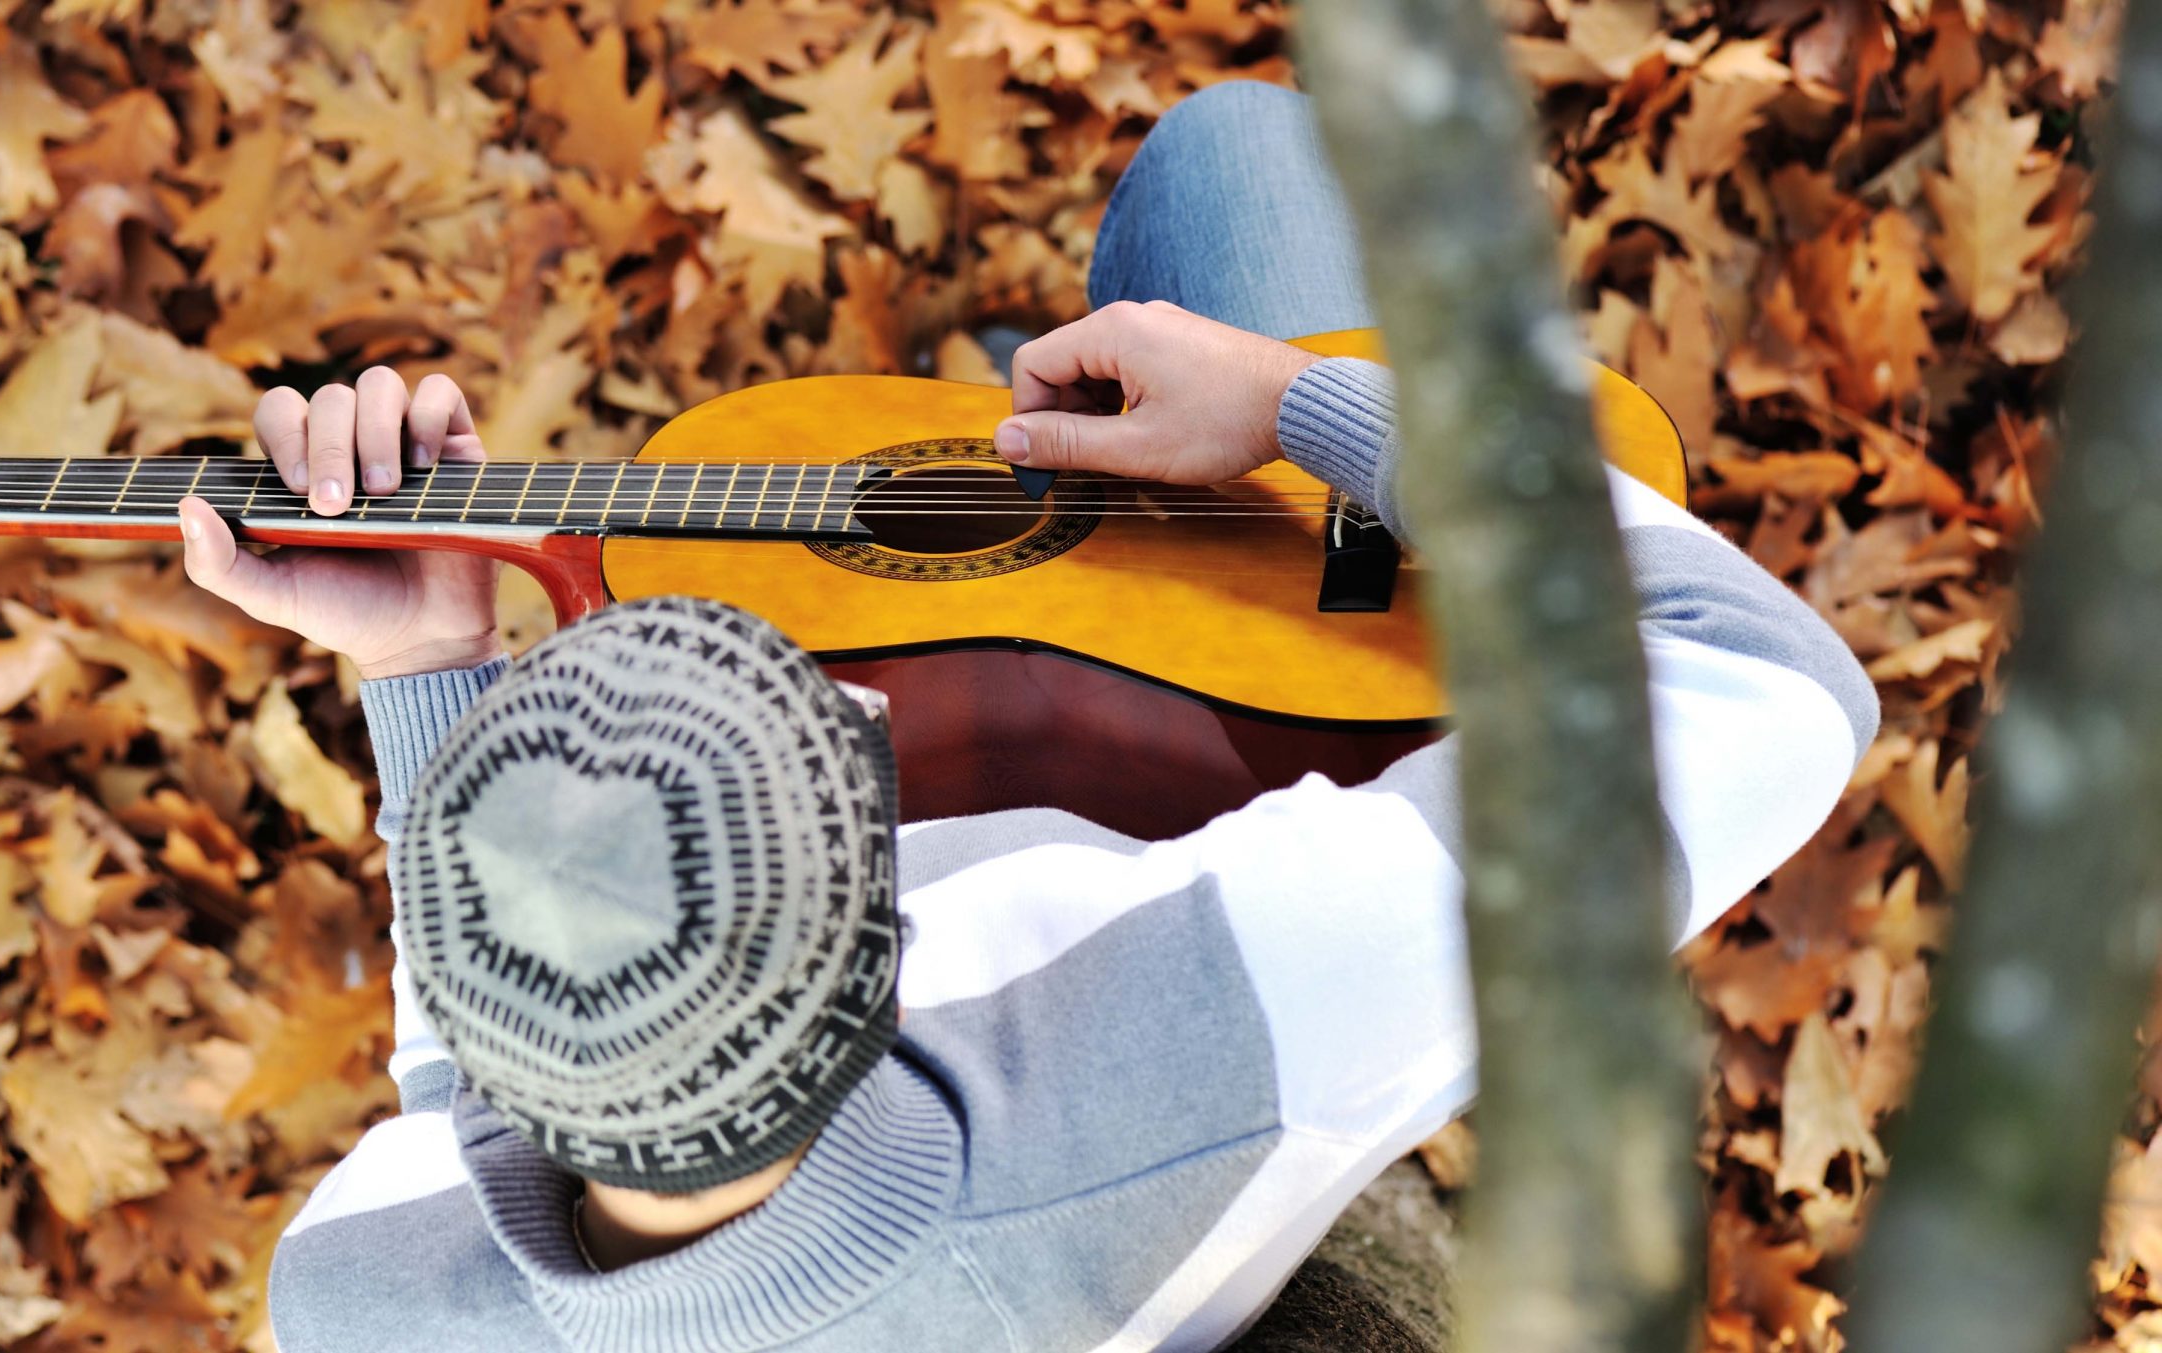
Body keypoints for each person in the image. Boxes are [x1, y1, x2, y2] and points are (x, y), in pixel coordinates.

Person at [178, 81, 1878, 1352]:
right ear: (901, 923)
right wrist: (1300, 404)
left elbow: (474, 1097)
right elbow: (1770, 686)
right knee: (1239, 161)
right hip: (1238, 810)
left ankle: (1020, 455)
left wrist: (425, 673)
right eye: (836, 710)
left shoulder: (352, 1294)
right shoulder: (1193, 1024)